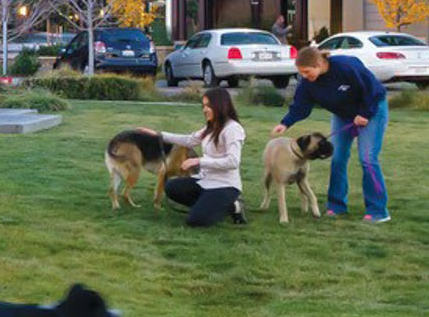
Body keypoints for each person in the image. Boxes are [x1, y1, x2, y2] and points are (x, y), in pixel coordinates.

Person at [274, 44, 388, 223]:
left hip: (372, 110)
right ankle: (336, 206)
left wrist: (365, 113)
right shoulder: (308, 83)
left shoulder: (346, 66)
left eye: (307, 71)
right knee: (338, 158)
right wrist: (285, 123)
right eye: (301, 73)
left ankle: (378, 210)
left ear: (319, 64)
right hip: (343, 115)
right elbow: (301, 106)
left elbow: (372, 89)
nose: (304, 76)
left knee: (368, 159)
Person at [140, 88, 248, 227]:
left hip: (225, 185)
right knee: (171, 187)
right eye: (203, 106)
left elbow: (233, 162)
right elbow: (189, 140)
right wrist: (158, 135)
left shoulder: (232, 129)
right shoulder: (211, 127)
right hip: (205, 181)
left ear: (220, 105)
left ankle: (234, 206)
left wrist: (199, 161)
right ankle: (208, 205)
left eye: (208, 106)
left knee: (196, 221)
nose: (204, 110)